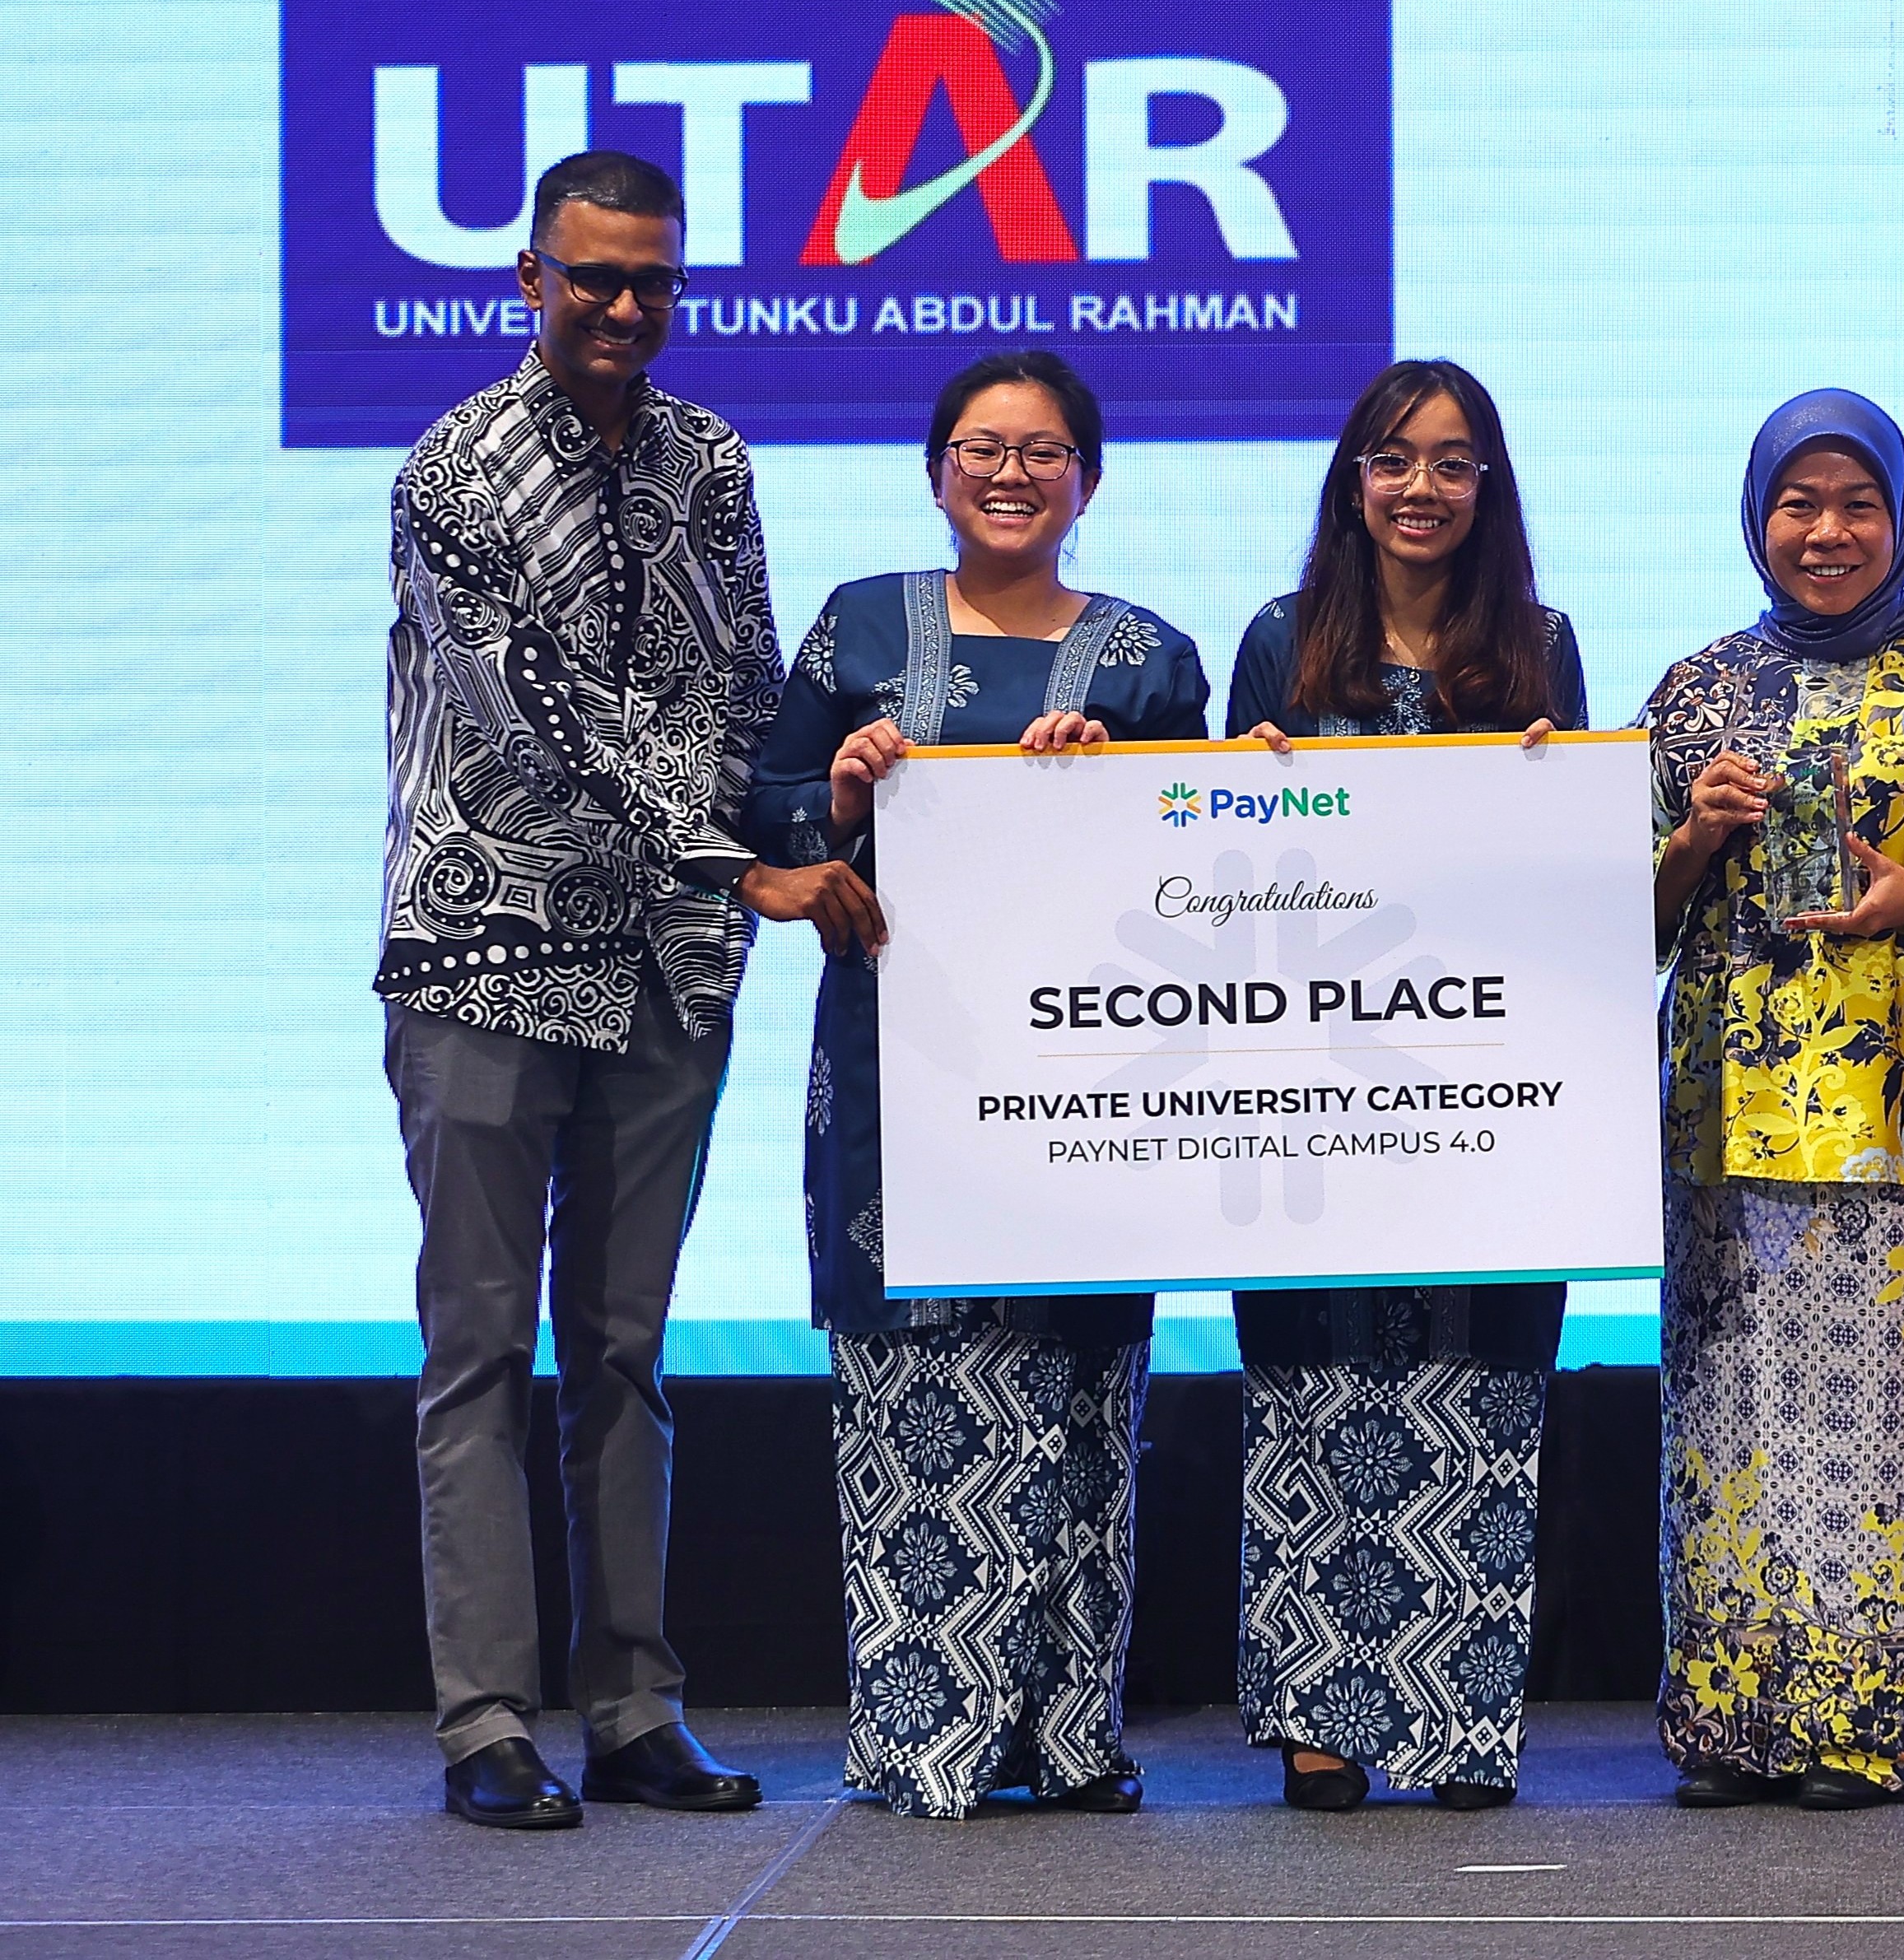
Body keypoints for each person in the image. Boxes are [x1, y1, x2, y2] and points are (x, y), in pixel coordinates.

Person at [379, 149, 872, 1832]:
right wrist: (744, 863)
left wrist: (821, 805)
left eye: (652, 278)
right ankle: (483, 1719)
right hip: (485, 942)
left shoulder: (711, 461)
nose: (623, 305)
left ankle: (634, 1701)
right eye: (592, 275)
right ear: (529, 277)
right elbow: (530, 714)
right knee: (475, 1346)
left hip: (665, 965)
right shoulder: (455, 464)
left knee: (625, 1343)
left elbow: (742, 687)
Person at [743, 351, 1211, 1819]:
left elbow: (1208, 863)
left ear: (1090, 477)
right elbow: (755, 806)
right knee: (909, 1396)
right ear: (936, 467)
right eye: (981, 448)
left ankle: (1071, 1742)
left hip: (1099, 1087)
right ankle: (921, 1741)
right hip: (899, 1072)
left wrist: (1117, 780)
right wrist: (841, 794)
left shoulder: (1149, 658)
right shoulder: (857, 626)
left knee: (1080, 1405)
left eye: (1044, 451)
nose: (1011, 475)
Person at [1641, 391, 1904, 1810]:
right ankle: (1736, 1728)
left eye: (1855, 504)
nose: (1826, 532)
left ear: (1902, 516)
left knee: (1889, 1426)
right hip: (1723, 1120)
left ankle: (1868, 1727)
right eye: (1797, 505)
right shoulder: (1692, 690)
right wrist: (1693, 837)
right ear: (1757, 519)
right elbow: (1613, 921)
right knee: (1729, 1426)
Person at [1227, 360, 1587, 1814]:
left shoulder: (1539, 643)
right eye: (1393, 459)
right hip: (1311, 1083)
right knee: (1320, 1390)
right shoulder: (1280, 640)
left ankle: (1457, 1721)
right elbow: (1205, 870)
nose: (1421, 487)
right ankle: (1322, 1716)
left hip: (1485, 1081)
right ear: (1352, 480)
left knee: (1478, 1387)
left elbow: (1567, 865)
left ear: (1486, 488)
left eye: (1451, 463)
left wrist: (1564, 787)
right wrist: (1229, 783)